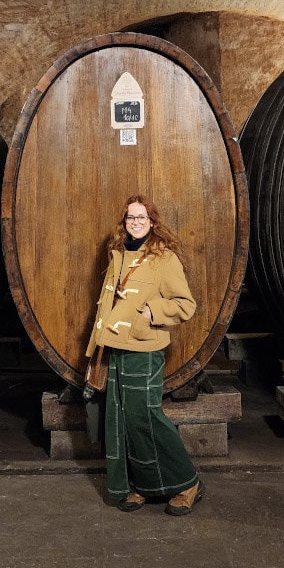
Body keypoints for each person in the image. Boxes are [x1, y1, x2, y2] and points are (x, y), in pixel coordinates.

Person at [85, 194, 205, 515]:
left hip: (145, 349)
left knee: (148, 416)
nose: (135, 223)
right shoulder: (118, 254)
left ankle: (188, 482)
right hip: (116, 347)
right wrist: (96, 347)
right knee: (124, 419)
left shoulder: (164, 259)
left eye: (141, 217)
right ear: (124, 222)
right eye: (130, 217)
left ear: (152, 222)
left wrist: (152, 311)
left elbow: (185, 305)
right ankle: (143, 485)